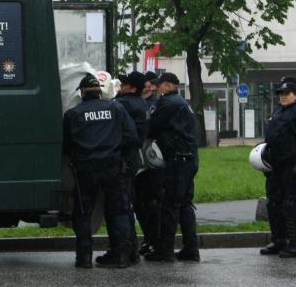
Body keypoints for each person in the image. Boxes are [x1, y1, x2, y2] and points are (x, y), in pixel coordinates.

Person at [63, 74, 140, 269]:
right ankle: (121, 255)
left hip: (86, 170)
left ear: (81, 93)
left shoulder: (73, 115)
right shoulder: (116, 108)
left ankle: (84, 257)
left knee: (83, 214)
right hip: (113, 168)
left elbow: (66, 146)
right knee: (118, 211)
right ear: (99, 92)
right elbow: (132, 138)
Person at [260, 76, 296, 259]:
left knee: (292, 206)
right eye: (281, 94)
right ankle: (279, 240)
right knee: (274, 203)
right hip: (275, 167)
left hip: (292, 167)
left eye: (287, 93)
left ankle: (295, 244)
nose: (283, 97)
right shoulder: (279, 111)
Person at [96, 71, 150, 266]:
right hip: (131, 160)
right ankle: (130, 250)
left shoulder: (123, 105)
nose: (121, 86)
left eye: (124, 84)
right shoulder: (141, 104)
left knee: (117, 208)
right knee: (125, 207)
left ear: (132, 88)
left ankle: (120, 253)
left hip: (121, 161)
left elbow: (121, 134)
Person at [146, 72, 200, 262]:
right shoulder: (182, 102)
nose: (156, 88)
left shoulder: (167, 103)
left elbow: (151, 128)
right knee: (185, 203)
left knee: (169, 205)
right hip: (189, 158)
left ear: (168, 85)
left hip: (177, 161)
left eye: (159, 85)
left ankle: (165, 250)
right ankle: (191, 249)